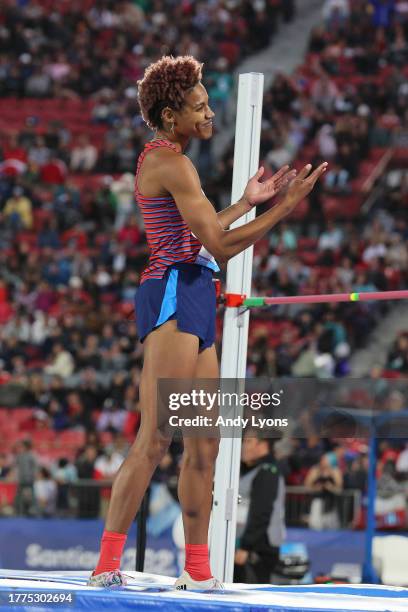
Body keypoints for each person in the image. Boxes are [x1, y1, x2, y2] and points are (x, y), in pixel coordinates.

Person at [87, 55, 327, 589]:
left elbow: (200, 239)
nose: (210, 111)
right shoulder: (168, 161)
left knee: (206, 443)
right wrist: (284, 207)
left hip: (195, 288)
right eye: (199, 105)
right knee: (156, 438)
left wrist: (246, 202)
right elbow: (215, 245)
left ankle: (197, 571)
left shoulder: (178, 162)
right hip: (172, 292)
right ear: (171, 115)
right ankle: (104, 566)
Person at [234, 431, 285, 584]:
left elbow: (261, 513)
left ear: (262, 444)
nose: (243, 446)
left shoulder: (267, 472)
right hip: (246, 545)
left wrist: (246, 547)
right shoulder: (250, 469)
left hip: (258, 548)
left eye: (249, 441)